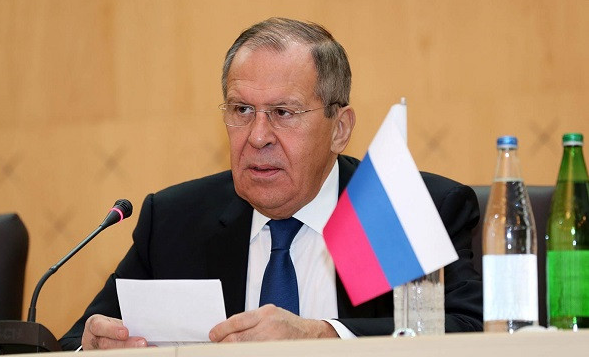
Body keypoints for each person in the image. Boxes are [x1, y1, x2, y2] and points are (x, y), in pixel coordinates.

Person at [59, 17, 482, 351]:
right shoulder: (175, 221)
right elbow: (74, 341)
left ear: (339, 129)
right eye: (242, 110)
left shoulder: (400, 208)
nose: (258, 136)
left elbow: (473, 330)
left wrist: (323, 336)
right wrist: (91, 347)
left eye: (283, 112)